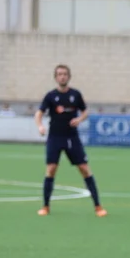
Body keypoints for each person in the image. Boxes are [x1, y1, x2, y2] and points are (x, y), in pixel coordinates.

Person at [34, 64, 106, 217]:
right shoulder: (50, 96)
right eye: (59, 74)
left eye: (65, 74)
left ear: (69, 76)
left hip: (72, 137)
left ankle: (98, 206)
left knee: (84, 168)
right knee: (51, 169)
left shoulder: (75, 94)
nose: (62, 77)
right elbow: (39, 113)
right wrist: (40, 126)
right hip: (55, 137)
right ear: (55, 77)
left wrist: (79, 119)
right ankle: (45, 206)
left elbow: (85, 111)